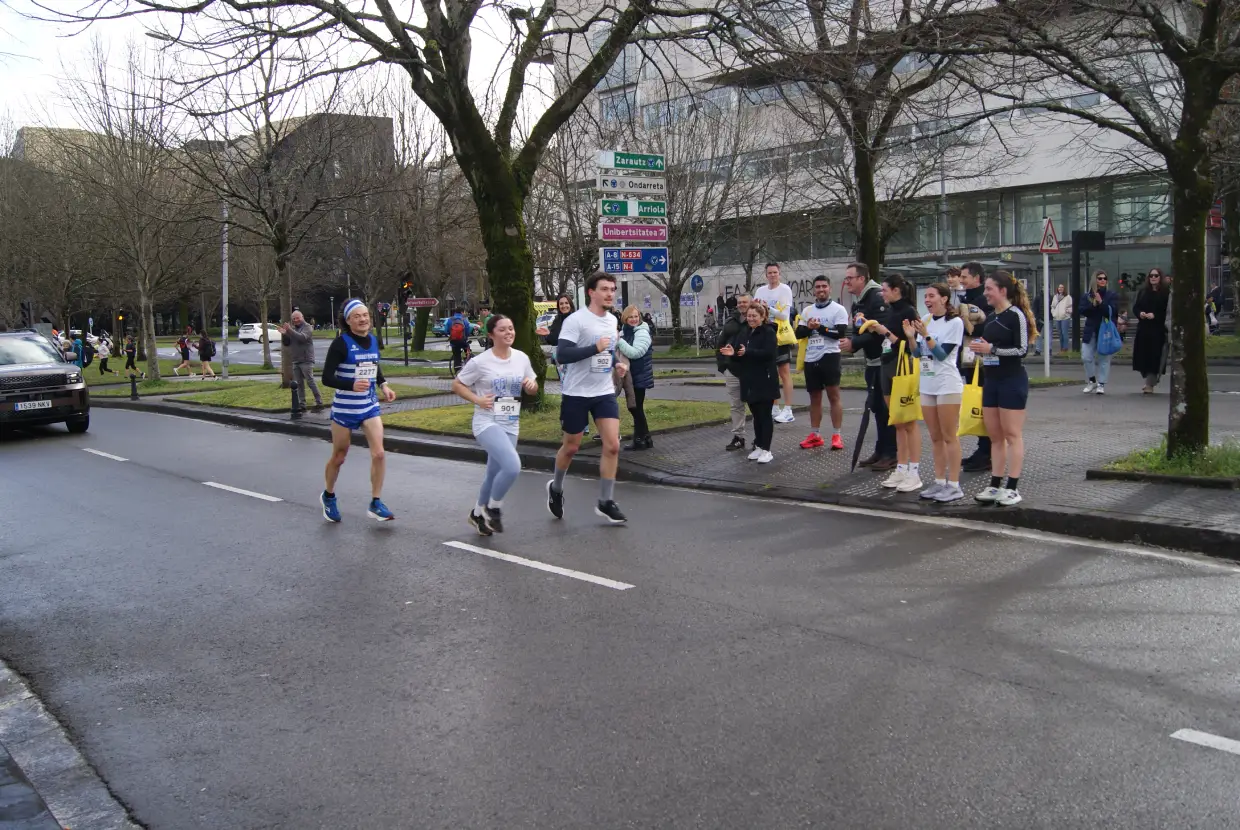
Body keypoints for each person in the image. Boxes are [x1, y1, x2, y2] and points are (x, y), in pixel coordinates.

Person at [546, 273, 628, 524]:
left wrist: (617, 364)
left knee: (612, 445)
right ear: (591, 292)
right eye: (605, 289)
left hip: (603, 392)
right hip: (576, 393)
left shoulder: (612, 320)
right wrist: (595, 348)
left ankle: (605, 501)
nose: (610, 294)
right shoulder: (576, 320)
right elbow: (563, 354)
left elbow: (609, 350)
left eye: (612, 289)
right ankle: (556, 488)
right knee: (571, 447)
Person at [452, 314, 538, 536]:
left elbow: (532, 386)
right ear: (491, 335)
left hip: (510, 422)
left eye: (511, 328)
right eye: (502, 330)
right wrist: (478, 400)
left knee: (493, 473)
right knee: (512, 466)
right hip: (486, 422)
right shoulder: (481, 362)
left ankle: (477, 514)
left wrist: (531, 385)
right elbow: (458, 384)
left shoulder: (521, 358)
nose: (509, 332)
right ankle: (493, 507)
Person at [319, 299, 398, 522]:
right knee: (339, 456)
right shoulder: (341, 344)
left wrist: (383, 385)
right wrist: (351, 384)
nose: (363, 319)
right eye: (357, 316)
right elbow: (326, 378)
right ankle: (329, 495)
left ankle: (375, 502)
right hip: (345, 409)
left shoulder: (372, 340)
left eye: (365, 315)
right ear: (348, 320)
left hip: (369, 406)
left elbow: (374, 366)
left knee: (379, 453)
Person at [970, 271, 1035, 507]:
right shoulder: (989, 317)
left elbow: (1021, 350)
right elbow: (988, 347)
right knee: (994, 436)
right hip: (992, 381)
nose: (985, 293)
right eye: (985, 288)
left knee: (1012, 434)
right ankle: (994, 484)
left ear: (1003, 291)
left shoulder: (1015, 315)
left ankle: (1013, 487)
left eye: (989, 289)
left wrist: (992, 350)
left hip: (1012, 380)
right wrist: (979, 349)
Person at [906, 284, 965, 502]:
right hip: (927, 383)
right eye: (926, 296)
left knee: (949, 435)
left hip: (947, 384)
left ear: (944, 299)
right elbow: (917, 354)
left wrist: (926, 335)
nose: (928, 300)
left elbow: (941, 355)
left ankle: (954, 484)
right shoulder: (926, 319)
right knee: (935, 436)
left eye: (932, 296)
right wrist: (912, 336)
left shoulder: (955, 322)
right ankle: (939, 481)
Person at [866, 274, 923, 493]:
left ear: (896, 290)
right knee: (897, 421)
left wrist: (885, 332)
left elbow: (910, 347)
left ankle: (914, 471)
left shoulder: (908, 311)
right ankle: (901, 466)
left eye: (885, 289)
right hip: (887, 365)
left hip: (903, 367)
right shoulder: (890, 310)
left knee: (908, 421)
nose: (882, 293)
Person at [839, 262, 897, 471]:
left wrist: (854, 343)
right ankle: (881, 450)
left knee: (886, 409)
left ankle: (892, 453)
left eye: (850, 278)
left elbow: (879, 330)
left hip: (884, 363)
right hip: (872, 363)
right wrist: (852, 344)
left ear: (862, 279)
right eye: (846, 279)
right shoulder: (860, 301)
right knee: (877, 409)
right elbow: (860, 329)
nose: (847, 282)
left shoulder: (876, 297)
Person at [720, 301, 779, 463]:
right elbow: (741, 355)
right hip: (749, 380)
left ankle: (767, 449)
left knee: (765, 415)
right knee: (756, 416)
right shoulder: (745, 332)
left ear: (763, 316)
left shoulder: (768, 332)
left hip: (765, 380)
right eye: (749, 316)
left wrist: (748, 352)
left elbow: (768, 354)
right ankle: (759, 445)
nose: (751, 319)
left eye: (754, 316)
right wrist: (733, 354)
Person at [795, 275, 849, 451]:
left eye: (824, 286)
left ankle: (837, 435)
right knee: (814, 398)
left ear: (829, 288)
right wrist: (809, 329)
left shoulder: (838, 310)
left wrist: (821, 328)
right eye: (818, 287)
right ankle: (815, 435)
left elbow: (839, 333)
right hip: (811, 358)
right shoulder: (807, 311)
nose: (821, 290)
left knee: (834, 396)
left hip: (830, 356)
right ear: (814, 290)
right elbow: (798, 334)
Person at [959, 262, 993, 472]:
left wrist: (964, 322)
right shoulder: (966, 298)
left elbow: (982, 326)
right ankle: (982, 449)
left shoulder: (982, 301)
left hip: (982, 361)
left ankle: (986, 452)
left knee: (982, 405)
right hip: (969, 360)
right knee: (977, 405)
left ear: (976, 278)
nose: (961, 280)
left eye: (964, 277)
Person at [753, 262, 796, 423]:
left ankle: (788, 408)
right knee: (770, 373)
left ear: (779, 273)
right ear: (766, 274)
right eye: (769, 273)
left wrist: (768, 308)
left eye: (775, 272)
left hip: (780, 334)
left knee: (784, 372)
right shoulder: (760, 290)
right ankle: (775, 407)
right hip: (766, 334)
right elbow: (757, 312)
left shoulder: (785, 290)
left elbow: (785, 315)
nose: (772, 275)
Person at [616, 305, 654, 451]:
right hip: (632, 375)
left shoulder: (642, 332)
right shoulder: (626, 331)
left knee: (635, 407)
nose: (633, 319)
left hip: (639, 375)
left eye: (636, 316)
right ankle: (646, 438)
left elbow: (635, 352)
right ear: (625, 318)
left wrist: (618, 341)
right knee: (636, 407)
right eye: (630, 317)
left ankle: (639, 439)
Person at [717, 294, 751, 450]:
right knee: (736, 406)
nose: (742, 305)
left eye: (745, 302)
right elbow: (720, 343)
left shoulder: (756, 321)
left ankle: (760, 439)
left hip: (751, 370)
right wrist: (722, 366)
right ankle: (739, 437)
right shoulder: (730, 321)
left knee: (756, 405)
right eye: (740, 302)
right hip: (732, 370)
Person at [1078, 270, 1119, 394]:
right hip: (1090, 329)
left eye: (1104, 278)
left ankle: (1101, 383)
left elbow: (1112, 312)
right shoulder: (1087, 296)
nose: (1102, 280)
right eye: (1099, 278)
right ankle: (1092, 381)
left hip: (1104, 330)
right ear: (1094, 280)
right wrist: (1094, 305)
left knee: (1104, 358)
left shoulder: (1111, 295)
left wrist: (1101, 303)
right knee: (1086, 356)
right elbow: (1082, 310)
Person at [1131, 268, 1170, 394]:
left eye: (1156, 275)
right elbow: (1136, 307)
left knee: (1155, 356)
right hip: (1144, 329)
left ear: (1160, 277)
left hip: (1157, 330)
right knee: (1144, 355)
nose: (1153, 278)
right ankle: (1148, 379)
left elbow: (1167, 312)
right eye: (1151, 276)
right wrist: (1140, 313)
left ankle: (1150, 383)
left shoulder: (1165, 293)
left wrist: (1155, 316)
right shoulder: (1143, 292)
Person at [282, 310, 323, 409]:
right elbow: (287, 343)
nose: (296, 320)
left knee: (310, 381)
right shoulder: (293, 329)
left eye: (297, 318)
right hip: (296, 359)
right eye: (294, 319)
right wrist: (284, 334)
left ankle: (319, 401)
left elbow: (302, 338)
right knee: (299, 383)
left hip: (306, 359)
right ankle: (302, 403)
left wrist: (289, 330)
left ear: (302, 317)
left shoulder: (307, 327)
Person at [446, 307, 472, 374]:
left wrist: (452, 335)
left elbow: (446, 330)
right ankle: (468, 363)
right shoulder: (464, 319)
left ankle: (457, 372)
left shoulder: (450, 320)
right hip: (463, 341)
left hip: (454, 341)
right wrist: (466, 336)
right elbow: (467, 330)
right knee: (467, 350)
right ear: (462, 312)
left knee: (456, 356)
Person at [1051, 284, 1073, 355]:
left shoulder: (1068, 297)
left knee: (1064, 333)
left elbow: (1070, 306)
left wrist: (1066, 312)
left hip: (1065, 318)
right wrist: (1053, 313)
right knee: (1060, 334)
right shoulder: (1055, 296)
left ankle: (1065, 348)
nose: (1060, 288)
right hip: (1057, 318)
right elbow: (1053, 306)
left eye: (1062, 287)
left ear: (1064, 289)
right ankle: (1061, 348)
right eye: (1059, 287)